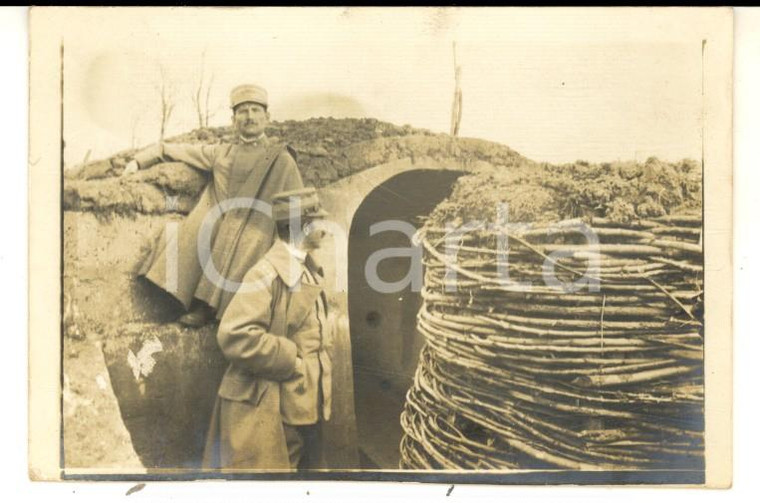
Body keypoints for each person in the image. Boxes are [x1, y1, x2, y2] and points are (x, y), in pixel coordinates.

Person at [122, 84, 304, 326]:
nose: (249, 117)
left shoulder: (281, 160)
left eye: (255, 110)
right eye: (242, 112)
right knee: (207, 227)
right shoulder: (221, 153)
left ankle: (223, 310)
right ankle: (198, 303)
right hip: (222, 222)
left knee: (250, 240)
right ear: (233, 120)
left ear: (267, 117)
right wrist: (138, 160)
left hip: (259, 228)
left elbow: (297, 207)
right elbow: (172, 150)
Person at [202, 187, 333, 470]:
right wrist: (292, 359)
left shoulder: (309, 268)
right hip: (278, 405)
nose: (324, 226)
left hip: (307, 402)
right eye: (317, 220)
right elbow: (235, 334)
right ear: (297, 226)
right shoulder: (265, 273)